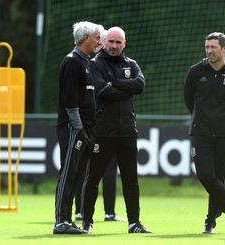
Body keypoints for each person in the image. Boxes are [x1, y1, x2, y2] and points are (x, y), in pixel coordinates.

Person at [81, 26, 151, 234]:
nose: (114, 46)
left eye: (118, 42)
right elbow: (103, 90)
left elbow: (140, 86)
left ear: (124, 44)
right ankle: (87, 221)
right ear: (103, 41)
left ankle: (134, 223)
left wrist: (115, 85)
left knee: (131, 180)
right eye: (110, 41)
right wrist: (125, 88)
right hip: (102, 131)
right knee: (93, 178)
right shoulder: (94, 64)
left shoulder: (132, 64)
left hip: (127, 131)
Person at [183, 32, 225, 234]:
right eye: (207, 47)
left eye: (213, 47)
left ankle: (210, 222)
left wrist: (223, 118)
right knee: (205, 175)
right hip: (201, 132)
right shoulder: (195, 71)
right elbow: (188, 100)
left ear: (224, 48)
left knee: (218, 179)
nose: (209, 51)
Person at [53, 21, 102, 235]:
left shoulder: (87, 62)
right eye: (97, 38)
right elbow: (70, 102)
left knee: (78, 174)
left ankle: (69, 219)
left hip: (86, 130)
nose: (99, 42)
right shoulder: (72, 62)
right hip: (74, 129)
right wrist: (79, 128)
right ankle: (61, 221)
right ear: (85, 39)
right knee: (68, 173)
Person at [74, 28, 126, 223]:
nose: (103, 44)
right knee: (87, 169)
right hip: (92, 123)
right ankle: (80, 210)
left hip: (108, 124)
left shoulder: (103, 64)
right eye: (102, 40)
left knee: (106, 169)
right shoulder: (89, 64)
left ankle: (108, 212)